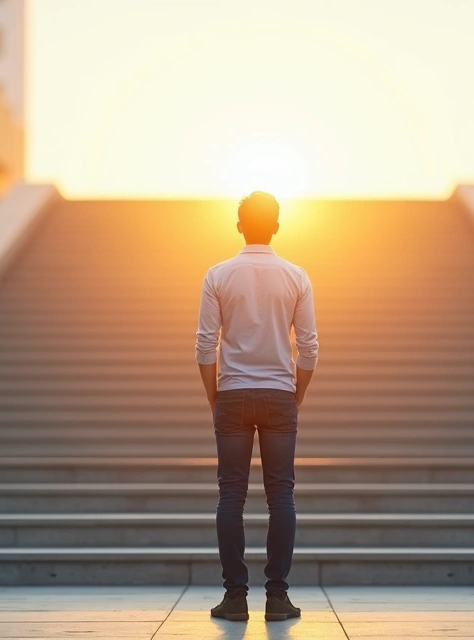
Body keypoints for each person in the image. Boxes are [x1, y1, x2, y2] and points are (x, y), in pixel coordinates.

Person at [195, 190, 319, 622]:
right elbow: (309, 348)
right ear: (278, 226)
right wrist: (295, 393)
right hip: (279, 395)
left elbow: (205, 346)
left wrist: (216, 396)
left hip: (231, 394)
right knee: (280, 495)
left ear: (239, 224)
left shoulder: (217, 275)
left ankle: (234, 598)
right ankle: (278, 597)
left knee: (231, 495)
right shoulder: (296, 276)